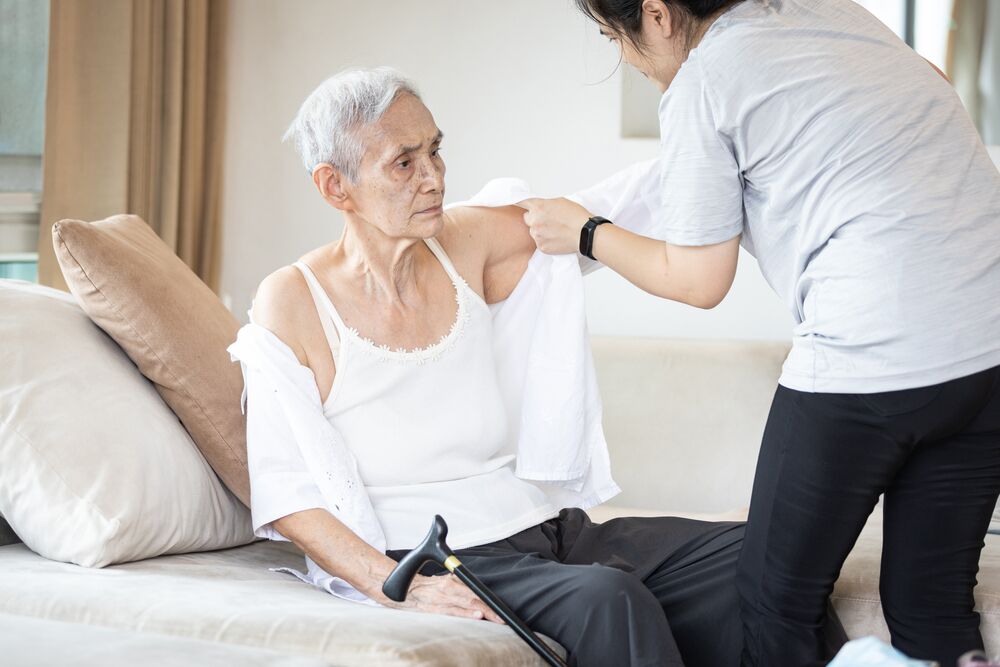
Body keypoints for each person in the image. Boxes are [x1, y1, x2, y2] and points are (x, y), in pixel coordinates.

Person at [519, 1, 1000, 665]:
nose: (624, 58)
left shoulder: (707, 79)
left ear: (655, 14)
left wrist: (586, 232)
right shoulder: (830, 12)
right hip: (987, 347)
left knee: (774, 604)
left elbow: (699, 280)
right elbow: (930, 90)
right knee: (931, 600)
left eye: (613, 35)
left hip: (873, 356)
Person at [229, 66, 749, 667]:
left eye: (436, 150)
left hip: (544, 528)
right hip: (436, 553)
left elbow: (601, 209)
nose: (433, 178)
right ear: (335, 186)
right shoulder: (294, 299)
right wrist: (399, 586)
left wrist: (731, 138)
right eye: (404, 162)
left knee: (750, 554)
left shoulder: (464, 240)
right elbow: (287, 492)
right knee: (609, 599)